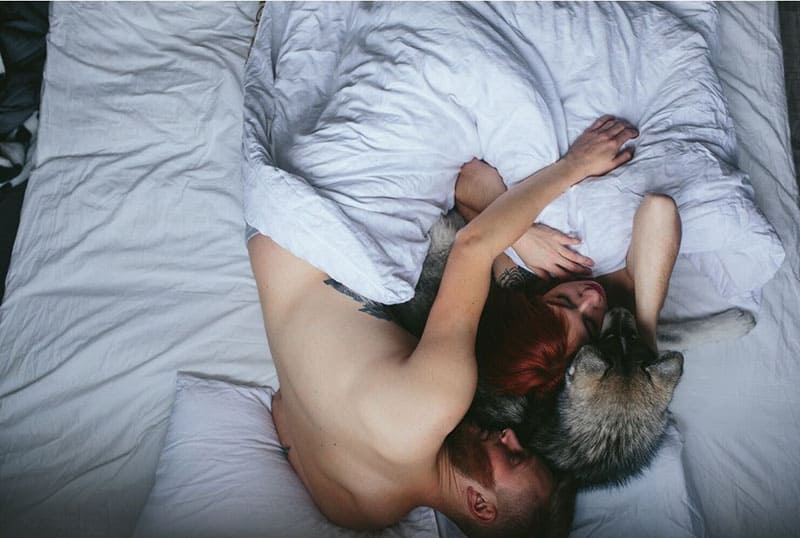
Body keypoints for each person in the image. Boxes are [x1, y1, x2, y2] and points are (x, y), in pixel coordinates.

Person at [246, 115, 639, 536]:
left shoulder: (438, 401)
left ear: (480, 506)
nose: (510, 435)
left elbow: (472, 248)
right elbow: (282, 410)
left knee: (472, 121)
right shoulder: (355, 511)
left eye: (514, 458)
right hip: (261, 232)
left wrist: (575, 165)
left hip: (309, 215)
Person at [458, 117, 681, 403]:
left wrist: (520, 235)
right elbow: (659, 210)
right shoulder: (622, 298)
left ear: (533, 301)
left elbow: (468, 179)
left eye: (564, 301)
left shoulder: (515, 277)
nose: (590, 298)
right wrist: (646, 335)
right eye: (589, 323)